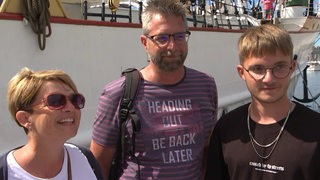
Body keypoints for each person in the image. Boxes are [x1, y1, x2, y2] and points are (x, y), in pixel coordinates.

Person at [90, 0, 218, 179]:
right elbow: (98, 166)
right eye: (162, 38)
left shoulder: (205, 86)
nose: (172, 46)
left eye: (180, 36)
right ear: (145, 42)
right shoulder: (117, 93)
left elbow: (206, 154)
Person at [205, 24, 320, 180]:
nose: (269, 78)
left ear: (292, 67)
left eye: (279, 66)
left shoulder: (315, 129)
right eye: (258, 69)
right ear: (242, 72)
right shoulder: (226, 129)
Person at [0, 67, 103, 180]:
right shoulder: (5, 172)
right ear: (24, 118)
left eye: (75, 99)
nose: (70, 108)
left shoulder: (85, 158)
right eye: (56, 101)